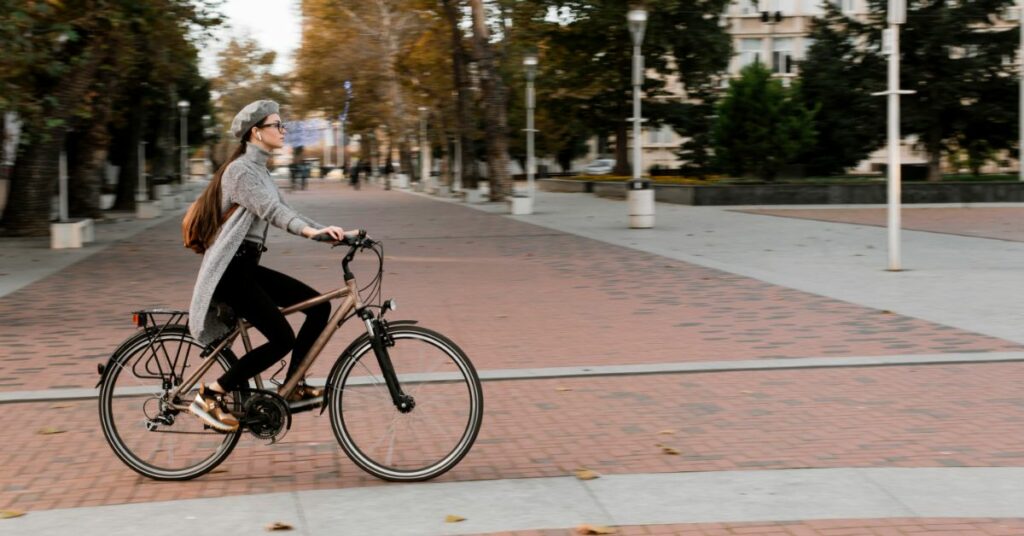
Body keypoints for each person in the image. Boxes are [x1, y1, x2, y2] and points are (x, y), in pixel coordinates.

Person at [186, 100, 353, 432]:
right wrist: (309, 231)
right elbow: (273, 213)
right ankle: (211, 395)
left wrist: (332, 233)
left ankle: (293, 387)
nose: (283, 130)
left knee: (319, 309)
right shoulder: (240, 172)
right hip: (229, 272)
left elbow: (290, 212)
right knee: (281, 339)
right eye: (277, 125)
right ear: (256, 133)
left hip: (246, 269)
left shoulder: (260, 172)